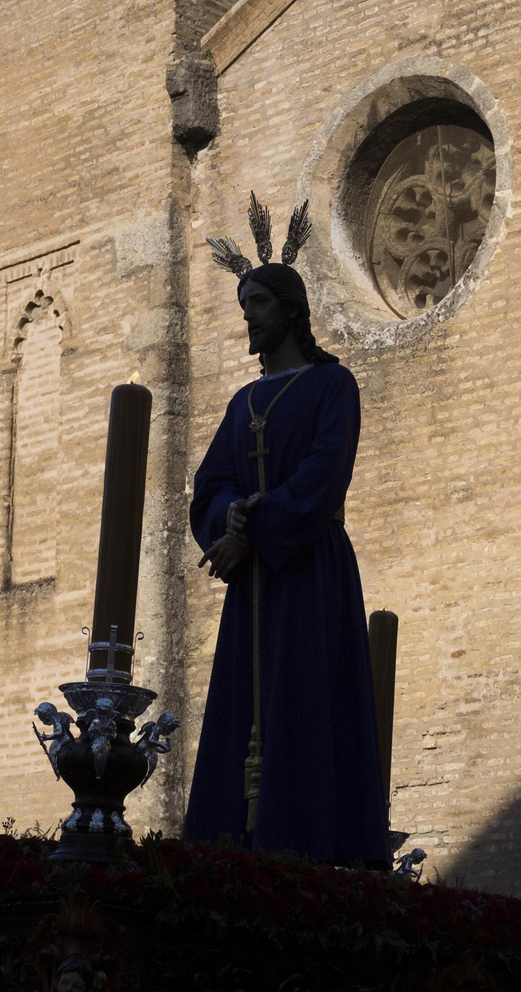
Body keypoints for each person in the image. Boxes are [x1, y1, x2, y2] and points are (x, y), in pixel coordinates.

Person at [183, 258, 388, 864]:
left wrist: (253, 529)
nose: (248, 314)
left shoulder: (334, 386)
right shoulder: (242, 401)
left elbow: (324, 476)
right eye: (244, 303)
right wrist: (231, 523)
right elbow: (210, 484)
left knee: (305, 698)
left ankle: (308, 843)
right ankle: (231, 845)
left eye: (260, 303)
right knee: (244, 703)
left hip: (308, 570)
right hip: (255, 583)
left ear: (293, 311)